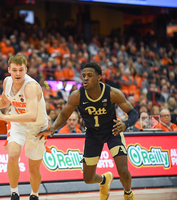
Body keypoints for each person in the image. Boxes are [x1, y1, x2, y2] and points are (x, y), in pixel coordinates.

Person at [37, 63, 138, 200]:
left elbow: (133, 113)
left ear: (99, 78)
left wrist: (125, 124)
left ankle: (128, 193)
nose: (85, 78)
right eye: (83, 76)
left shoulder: (112, 93)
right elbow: (64, 114)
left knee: (123, 171)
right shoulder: (77, 95)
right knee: (88, 178)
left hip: (112, 131)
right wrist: (53, 128)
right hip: (92, 135)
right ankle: (104, 180)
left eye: (89, 76)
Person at [0, 54, 49, 200]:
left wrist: (4, 117)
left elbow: (32, 115)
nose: (18, 73)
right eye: (14, 70)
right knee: (13, 155)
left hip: (38, 127)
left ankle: (34, 195)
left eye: (21, 70)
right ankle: (14, 193)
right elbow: (4, 102)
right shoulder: (7, 82)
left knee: (33, 169)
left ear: (26, 70)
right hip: (18, 123)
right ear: (9, 69)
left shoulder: (31, 87)